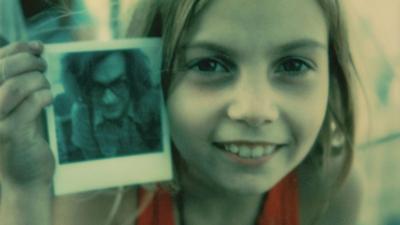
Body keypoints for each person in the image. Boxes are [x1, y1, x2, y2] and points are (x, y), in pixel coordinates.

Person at [0, 0, 362, 224]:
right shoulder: (108, 200)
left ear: (333, 75)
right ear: (151, 76)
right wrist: (23, 191)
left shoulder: (328, 189)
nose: (255, 110)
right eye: (208, 65)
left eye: (294, 64)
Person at [57, 49, 161, 161]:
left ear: (133, 77)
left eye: (119, 83)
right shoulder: (82, 114)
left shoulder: (155, 102)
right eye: (96, 87)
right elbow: (95, 166)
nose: (109, 100)